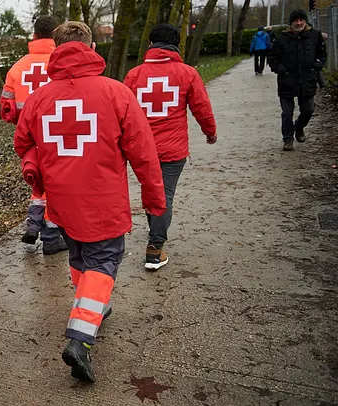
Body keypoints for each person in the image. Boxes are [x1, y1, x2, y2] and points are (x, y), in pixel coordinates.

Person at [14, 21, 166, 382]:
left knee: (80, 255)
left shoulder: (38, 98)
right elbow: (143, 153)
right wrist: (155, 199)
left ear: (57, 50)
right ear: (90, 46)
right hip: (103, 201)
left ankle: (96, 307)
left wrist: (37, 167)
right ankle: (81, 339)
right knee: (104, 259)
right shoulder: (115, 93)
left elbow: (24, 143)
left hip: (62, 203)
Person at [124, 24, 217, 270]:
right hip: (172, 151)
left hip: (140, 150)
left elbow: (122, 114)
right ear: (176, 45)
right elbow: (202, 108)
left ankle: (156, 233)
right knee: (164, 196)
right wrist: (210, 133)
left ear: (151, 45)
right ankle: (155, 249)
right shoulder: (187, 73)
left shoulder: (133, 75)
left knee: (151, 192)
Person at [0, 15, 67, 256]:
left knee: (37, 182)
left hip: (28, 136)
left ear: (34, 36)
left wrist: (20, 123)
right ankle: (50, 235)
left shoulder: (17, 67)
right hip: (58, 132)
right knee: (55, 185)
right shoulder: (63, 64)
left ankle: (32, 224)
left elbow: (6, 109)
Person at [268, 9, 327, 151]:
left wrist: (315, 67)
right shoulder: (282, 39)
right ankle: (288, 139)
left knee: (308, 109)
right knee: (287, 112)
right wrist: (281, 70)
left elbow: (322, 54)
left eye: (301, 20)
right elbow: (272, 58)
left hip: (307, 79)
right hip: (287, 80)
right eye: (296, 20)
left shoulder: (315, 35)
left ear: (305, 21)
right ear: (291, 22)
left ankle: (299, 126)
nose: (299, 23)